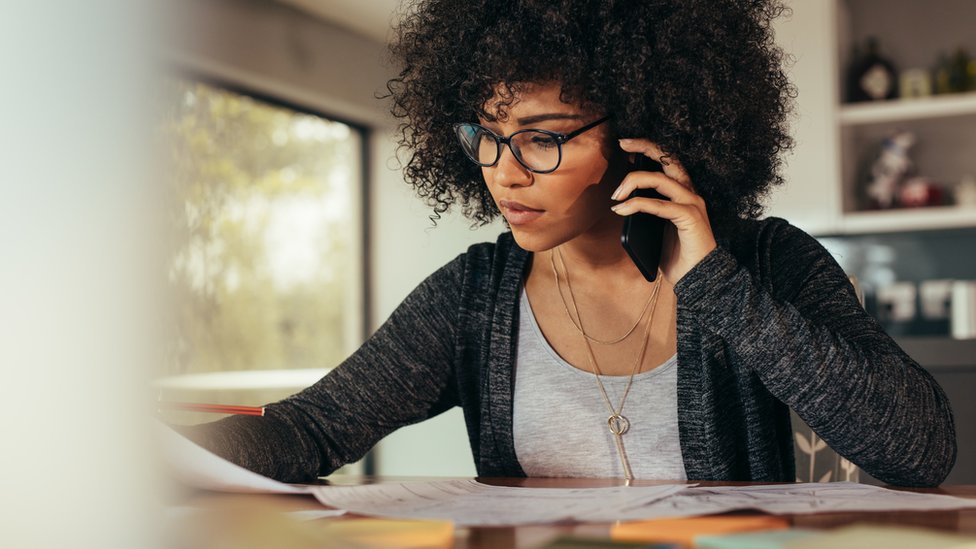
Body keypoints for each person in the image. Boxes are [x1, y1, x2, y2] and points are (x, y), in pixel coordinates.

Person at [181, 0, 956, 486]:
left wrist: (715, 282)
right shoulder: (474, 297)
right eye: (485, 136)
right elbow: (310, 429)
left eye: (542, 141)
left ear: (643, 131)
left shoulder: (765, 265)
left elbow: (920, 449)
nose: (502, 174)